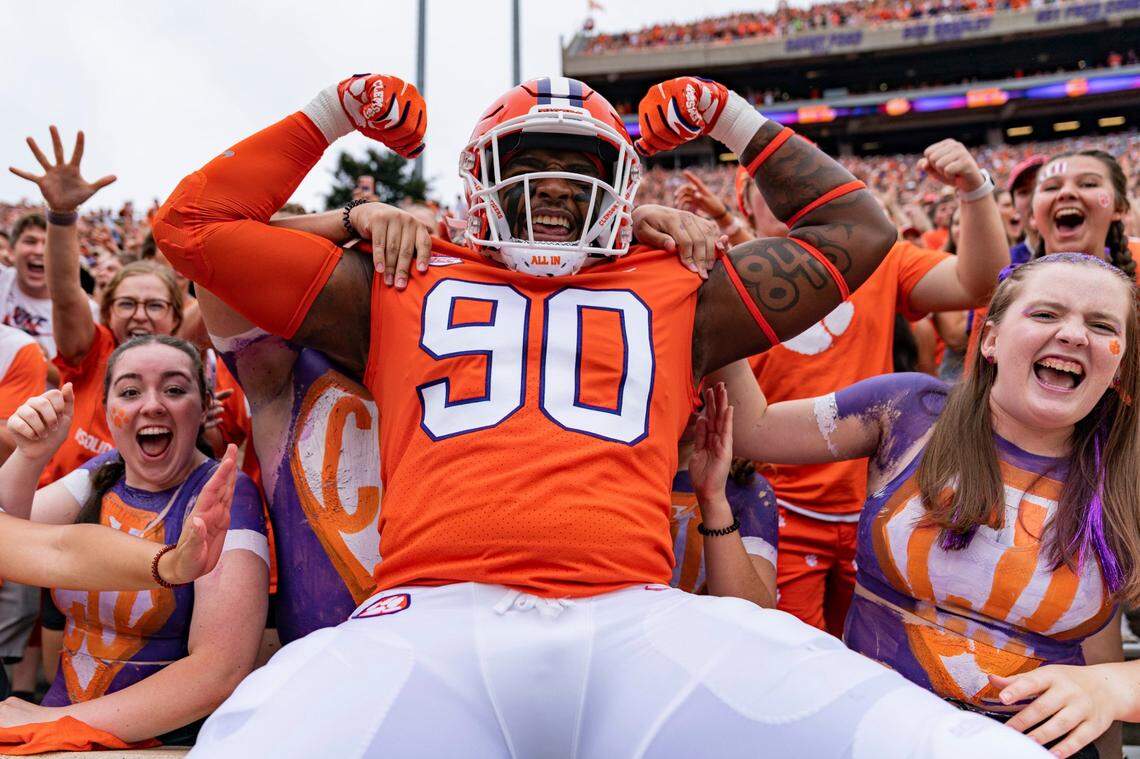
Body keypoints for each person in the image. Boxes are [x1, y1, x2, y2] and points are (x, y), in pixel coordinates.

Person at [153, 72, 1042, 756]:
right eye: (530, 156)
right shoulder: (395, 275)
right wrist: (333, 120)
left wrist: (730, 115)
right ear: (478, 177)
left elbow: (859, 232)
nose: (552, 180)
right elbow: (191, 229)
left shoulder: (681, 284)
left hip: (636, 615)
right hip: (426, 613)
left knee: (929, 745)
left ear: (623, 182)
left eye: (581, 162)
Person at [723, 253, 1138, 758]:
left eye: (1100, 324)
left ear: (1119, 363)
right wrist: (722, 289)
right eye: (1046, 314)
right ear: (990, 339)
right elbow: (754, 428)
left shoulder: (1128, 475)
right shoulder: (907, 413)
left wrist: (1112, 687)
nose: (1074, 335)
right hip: (874, 738)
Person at [743, 139, 1008, 635]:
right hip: (778, 509)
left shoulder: (881, 260)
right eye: (772, 181)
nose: (793, 190)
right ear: (746, 202)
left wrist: (974, 191)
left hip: (878, 506)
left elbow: (978, 284)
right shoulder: (733, 273)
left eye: (807, 176)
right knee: (793, 664)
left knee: (875, 664)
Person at [0, 335, 268, 747]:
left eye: (175, 389)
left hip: (156, 742)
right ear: (108, 411)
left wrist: (57, 722)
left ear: (203, 409)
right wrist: (30, 456)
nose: (153, 404)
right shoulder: (104, 469)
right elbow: (10, 539)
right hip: (54, 725)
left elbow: (221, 669)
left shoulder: (225, 494)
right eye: (130, 391)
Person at [9, 127, 234, 485]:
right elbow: (66, 291)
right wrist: (62, 214)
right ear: (107, 310)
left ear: (177, 316)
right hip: (60, 516)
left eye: (155, 305)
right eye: (127, 303)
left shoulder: (187, 361)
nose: (140, 315)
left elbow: (225, 285)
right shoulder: (91, 350)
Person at [670, 380, 777, 607]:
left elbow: (757, 614)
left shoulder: (745, 487)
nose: (694, 395)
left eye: (702, 381)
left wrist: (714, 498)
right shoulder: (615, 468)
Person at [0, 212, 97, 359]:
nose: (40, 251)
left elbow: (86, 377)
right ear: (12, 251)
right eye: (30, 241)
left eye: (49, 244)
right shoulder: (2, 281)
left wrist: (38, 360)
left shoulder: (86, 312)